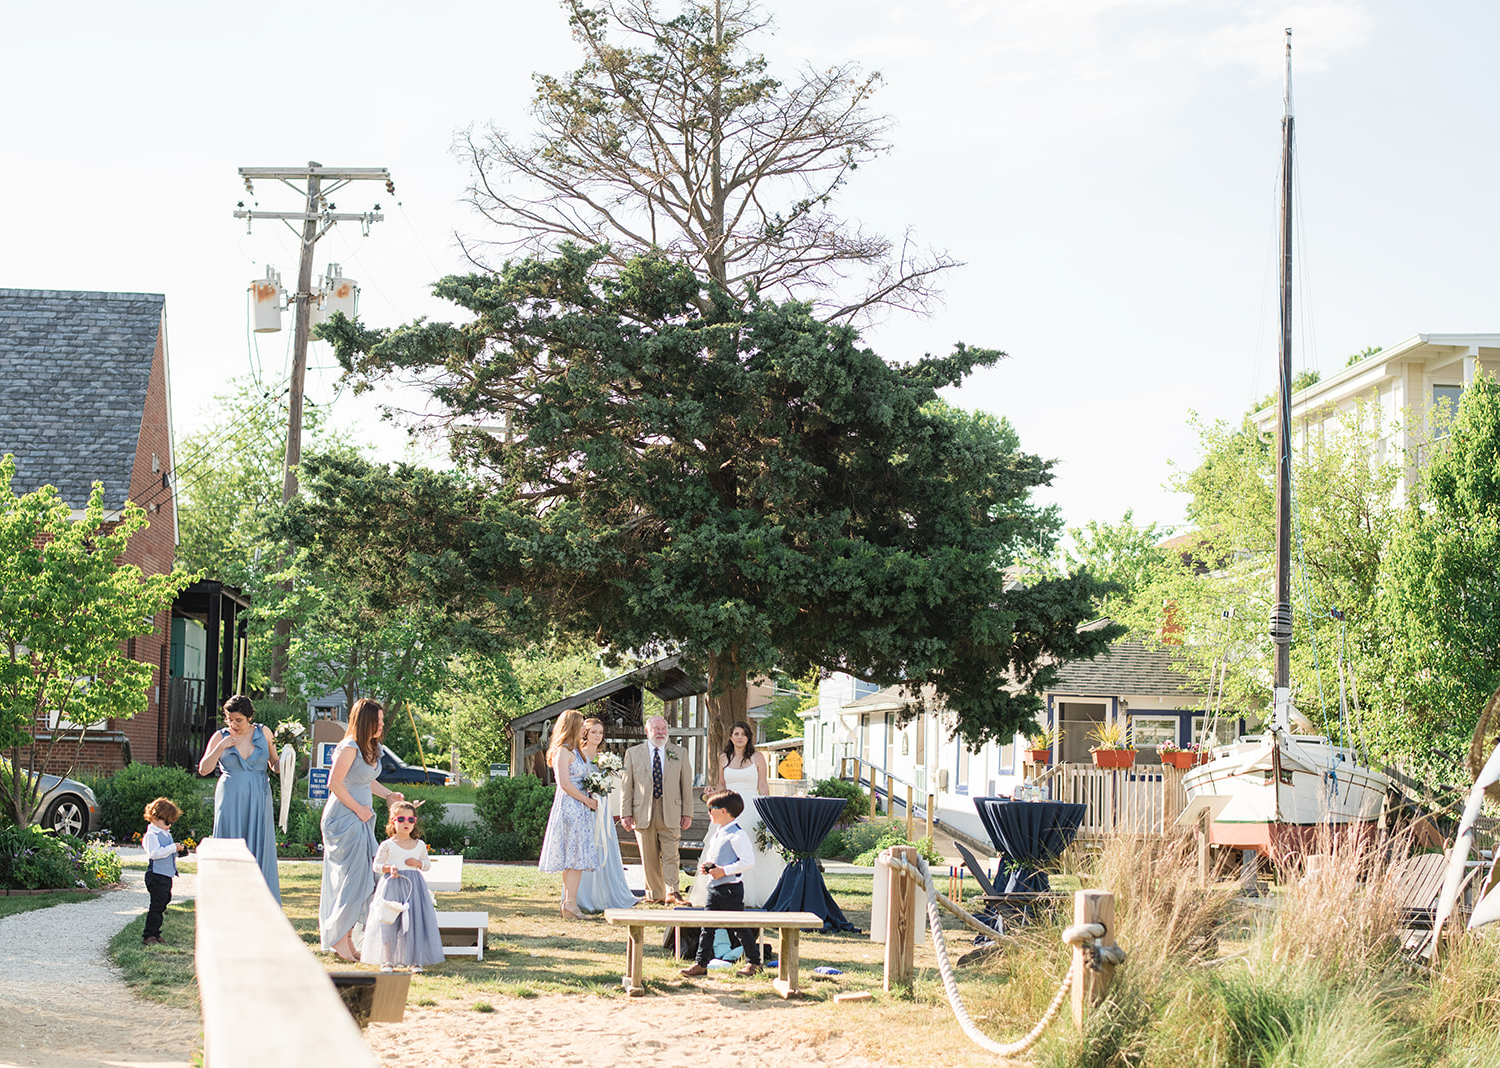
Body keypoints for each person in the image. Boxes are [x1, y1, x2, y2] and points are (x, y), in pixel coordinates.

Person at [319, 698, 405, 962]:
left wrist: (389, 795)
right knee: (353, 880)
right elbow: (334, 783)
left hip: (362, 817)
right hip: (344, 819)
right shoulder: (348, 747)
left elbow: (365, 780)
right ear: (365, 721)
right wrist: (358, 809)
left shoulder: (370, 748)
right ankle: (339, 939)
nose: (381, 725)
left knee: (363, 879)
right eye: (377, 721)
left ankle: (346, 938)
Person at [198, 694, 281, 902]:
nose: (234, 724)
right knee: (229, 842)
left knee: (259, 842)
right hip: (230, 796)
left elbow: (275, 765)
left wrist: (289, 757)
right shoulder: (220, 736)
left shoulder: (264, 733)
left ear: (249, 717)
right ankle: (227, 898)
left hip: (258, 795)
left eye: (239, 720)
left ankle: (259, 899)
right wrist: (221, 747)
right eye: (230, 719)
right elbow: (203, 770)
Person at [680, 790, 762, 979]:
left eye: (712, 809)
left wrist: (724, 870)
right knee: (707, 927)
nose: (709, 812)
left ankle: (754, 961)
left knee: (739, 926)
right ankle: (701, 963)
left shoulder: (737, 835)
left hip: (730, 889)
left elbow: (748, 861)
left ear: (724, 811)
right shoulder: (719, 833)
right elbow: (716, 857)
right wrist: (708, 868)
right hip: (714, 887)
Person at [360, 800, 446, 973]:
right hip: (392, 885)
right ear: (393, 821)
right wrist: (388, 868)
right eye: (401, 819)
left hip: (414, 887)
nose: (406, 823)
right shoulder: (387, 845)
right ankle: (388, 960)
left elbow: (427, 865)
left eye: (410, 820)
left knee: (414, 921)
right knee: (389, 921)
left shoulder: (419, 845)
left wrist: (418, 863)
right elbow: (376, 865)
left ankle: (414, 960)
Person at [707, 720, 786, 907]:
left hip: (751, 805)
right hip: (729, 807)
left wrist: (767, 810)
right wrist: (714, 794)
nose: (740, 737)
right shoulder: (723, 758)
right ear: (730, 737)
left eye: (743, 734)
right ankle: (721, 892)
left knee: (752, 847)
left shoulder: (757, 757)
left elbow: (763, 785)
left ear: (748, 737)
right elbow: (722, 784)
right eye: (736, 734)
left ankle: (757, 894)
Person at [620, 714, 695, 905]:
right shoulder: (633, 753)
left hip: (671, 810)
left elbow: (686, 785)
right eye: (656, 729)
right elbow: (627, 786)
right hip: (642, 811)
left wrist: (687, 812)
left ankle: (673, 892)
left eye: (664, 728)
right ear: (647, 731)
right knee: (649, 855)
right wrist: (625, 813)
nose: (661, 732)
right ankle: (654, 894)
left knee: (671, 853)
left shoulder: (680, 752)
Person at [537, 709, 602, 919]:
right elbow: (564, 783)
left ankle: (569, 903)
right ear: (572, 725)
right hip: (570, 807)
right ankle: (570, 904)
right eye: (582, 724)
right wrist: (587, 801)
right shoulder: (562, 751)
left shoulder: (577, 751)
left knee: (576, 857)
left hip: (580, 807)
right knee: (573, 857)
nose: (584, 727)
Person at [575, 717, 636, 912]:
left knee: (605, 845)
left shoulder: (603, 758)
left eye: (600, 732)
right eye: (593, 732)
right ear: (585, 733)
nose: (597, 735)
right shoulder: (578, 756)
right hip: (586, 807)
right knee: (588, 846)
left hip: (602, 807)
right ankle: (585, 896)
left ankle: (609, 893)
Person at [141, 797, 187, 946]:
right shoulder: (151, 835)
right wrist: (173, 847)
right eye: (167, 822)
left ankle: (156, 932)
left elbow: (168, 853)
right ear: (155, 818)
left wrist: (179, 851)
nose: (169, 825)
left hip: (166, 875)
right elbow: (155, 853)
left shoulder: (166, 834)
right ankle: (149, 935)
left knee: (163, 903)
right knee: (156, 905)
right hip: (156, 876)